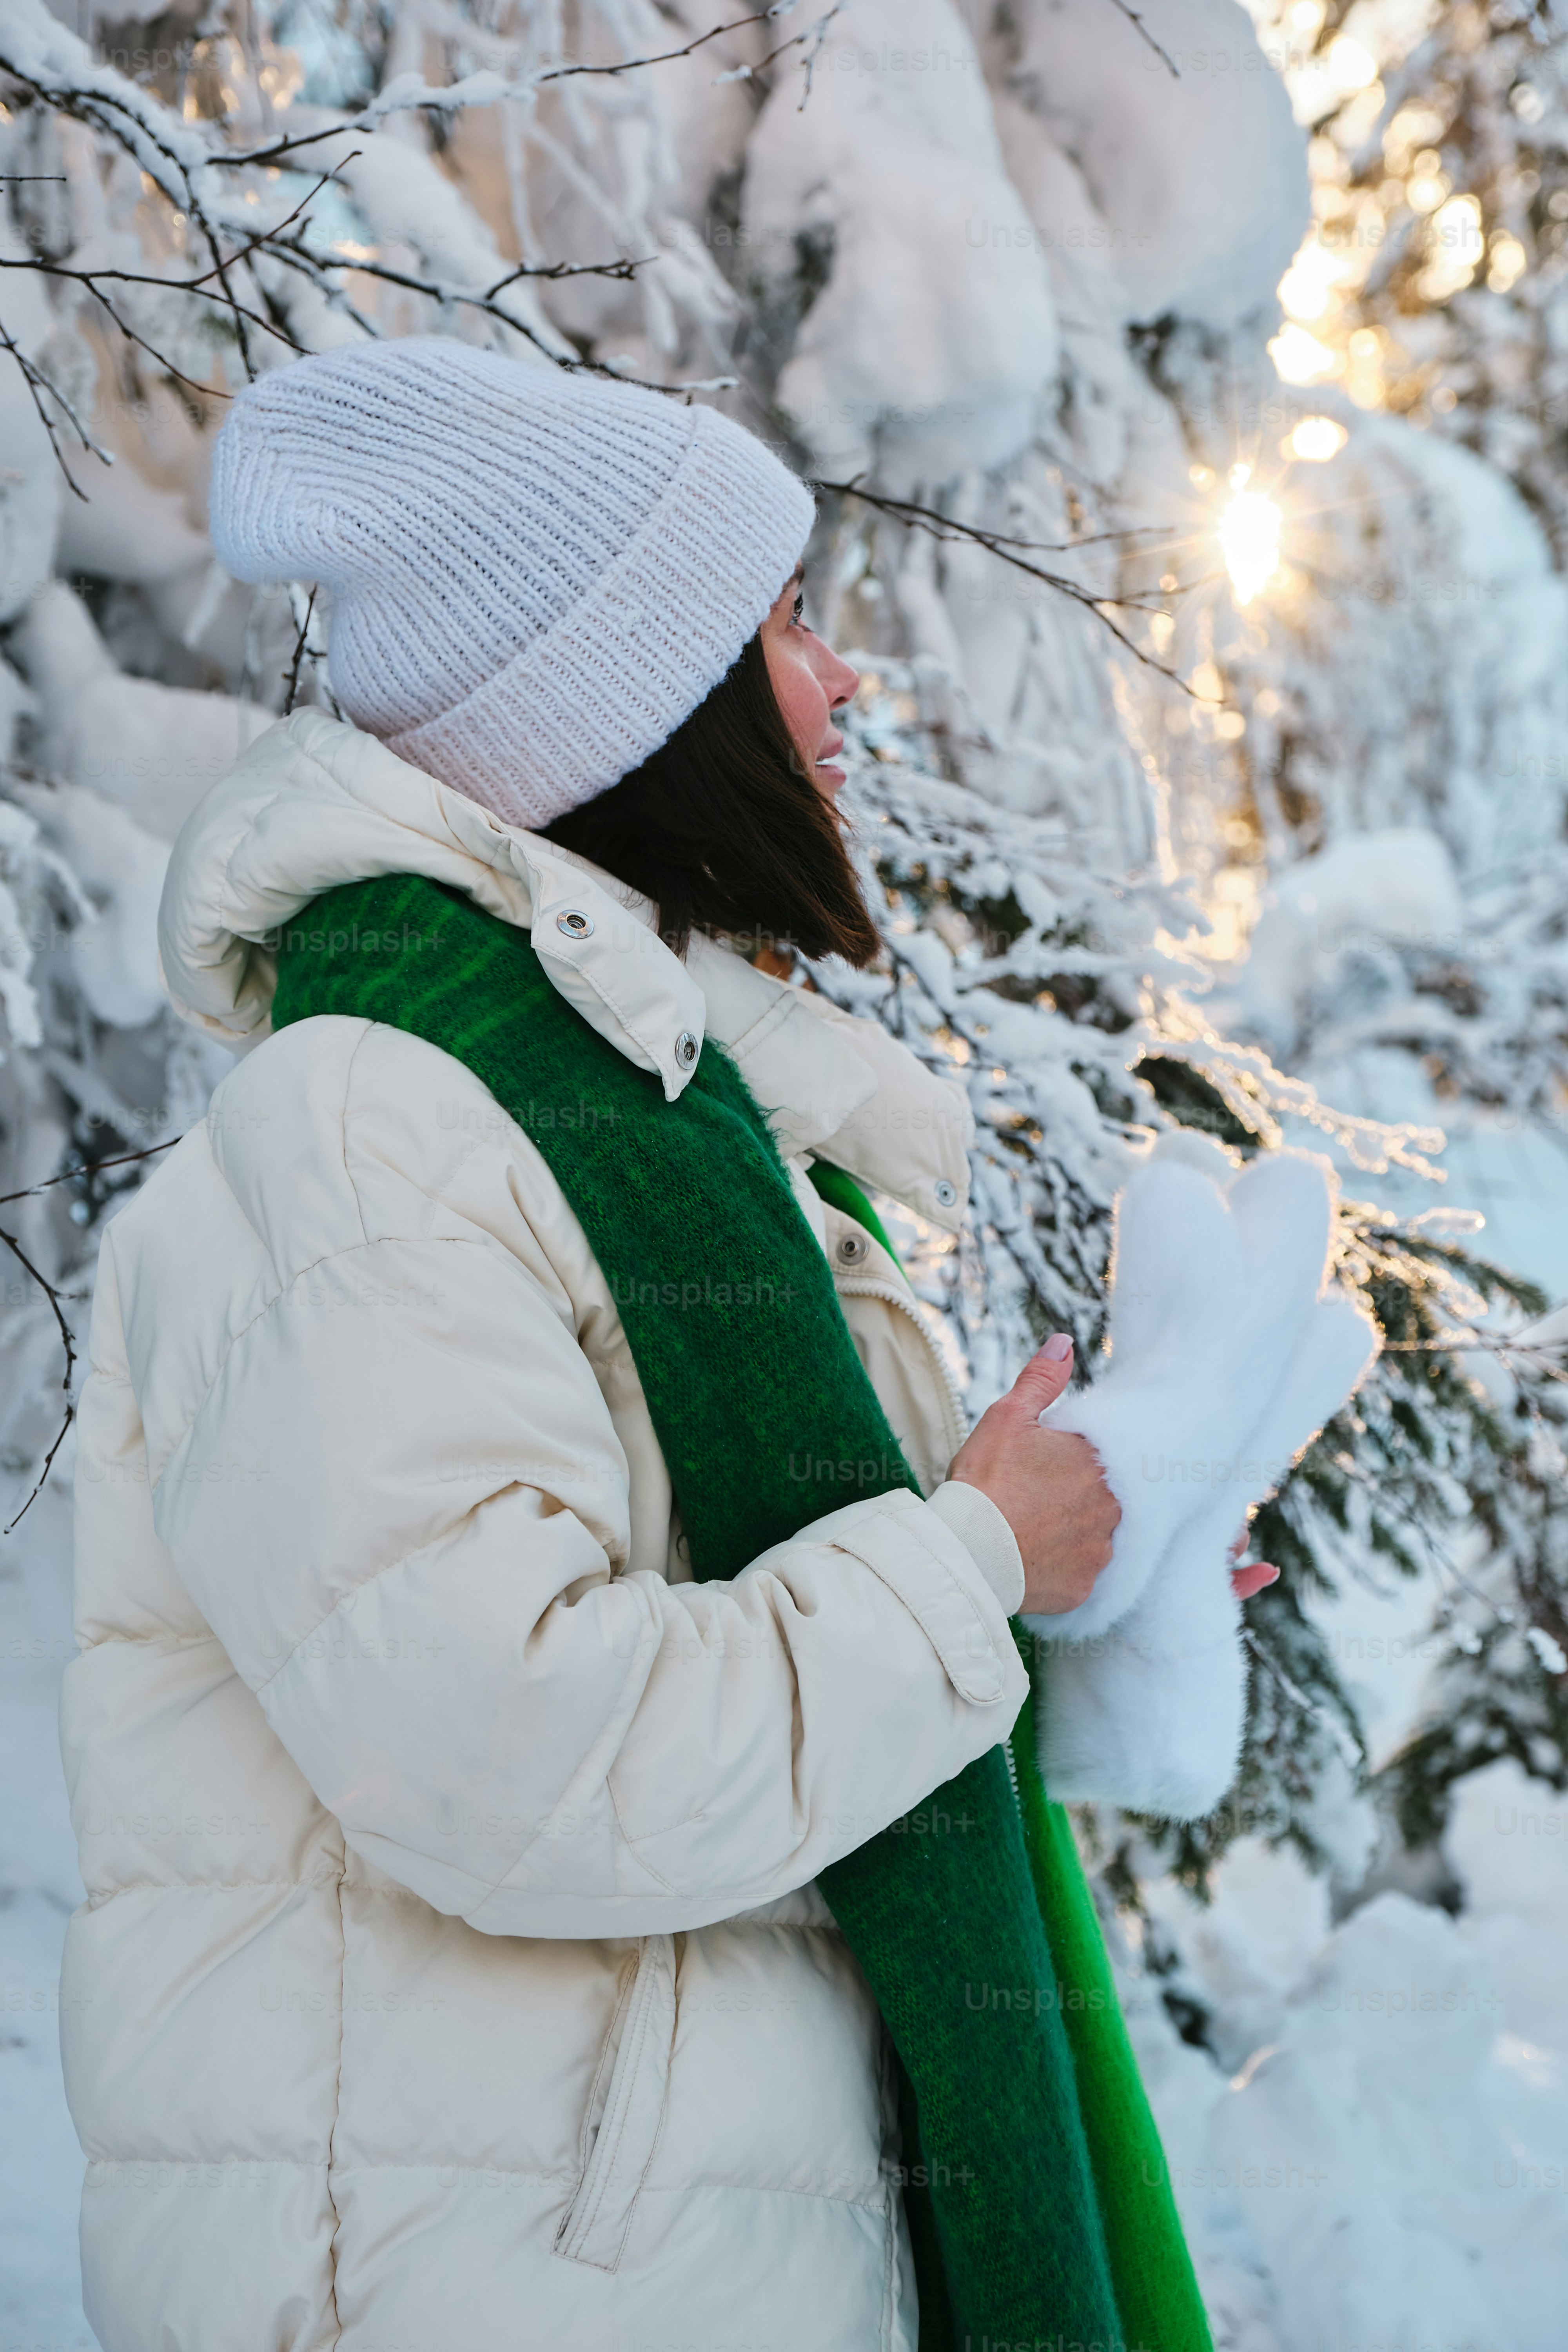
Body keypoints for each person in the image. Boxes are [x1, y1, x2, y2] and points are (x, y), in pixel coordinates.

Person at [59, 341, 1247, 2350]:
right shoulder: (375, 1127)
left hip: (660, 2256)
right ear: (636, 701)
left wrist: (1046, 1594)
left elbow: (748, 1660)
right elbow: (516, 1757)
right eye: (784, 621)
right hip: (496, 2285)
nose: (843, 679)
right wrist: (962, 1566)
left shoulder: (665, 1121)